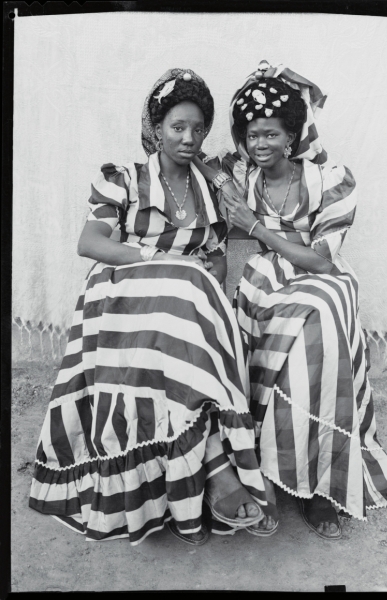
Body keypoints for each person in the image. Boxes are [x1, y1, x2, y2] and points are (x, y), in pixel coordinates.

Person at [29, 68, 268, 547]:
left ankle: (202, 465)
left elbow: (217, 259)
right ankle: (218, 467)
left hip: (181, 304)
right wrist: (161, 260)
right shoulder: (123, 178)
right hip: (120, 295)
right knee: (185, 284)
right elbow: (90, 242)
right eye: (178, 127)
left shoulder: (210, 189)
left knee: (194, 293)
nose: (188, 137)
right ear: (156, 129)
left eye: (198, 129)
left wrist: (201, 276)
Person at [194, 61, 387, 539]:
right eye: (252, 136)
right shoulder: (240, 174)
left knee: (323, 317)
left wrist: (253, 226)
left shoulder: (329, 179)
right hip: (265, 277)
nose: (261, 144)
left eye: (271, 134)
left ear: (292, 137)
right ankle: (268, 471)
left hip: (320, 275)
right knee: (291, 321)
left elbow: (319, 262)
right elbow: (190, 155)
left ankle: (318, 487)